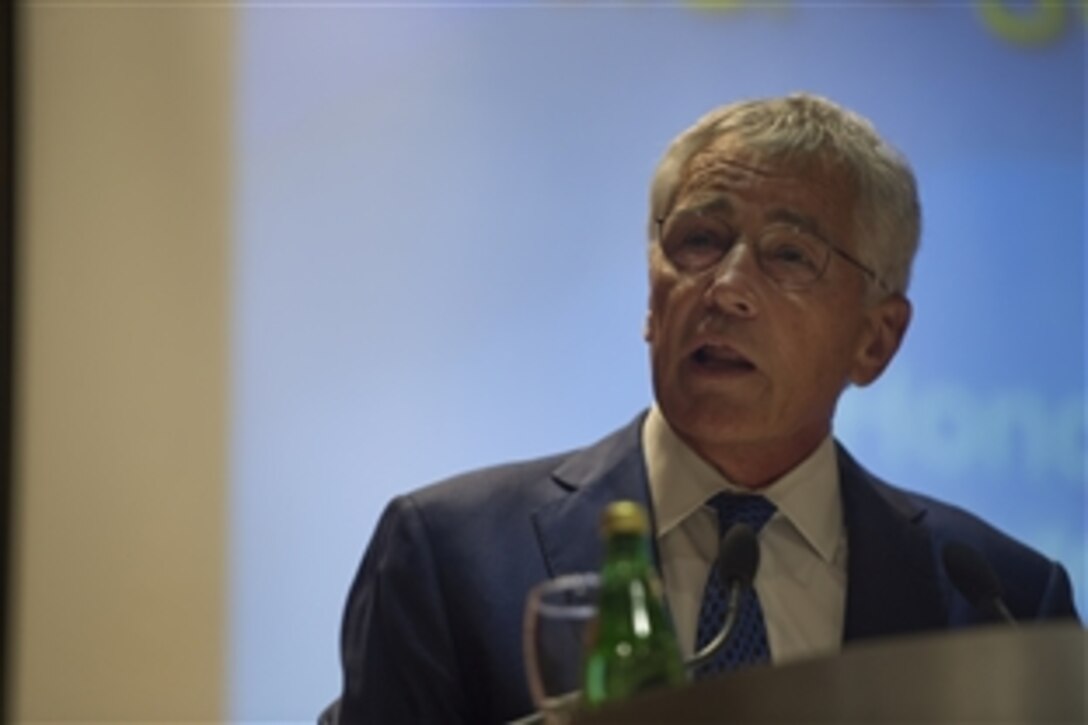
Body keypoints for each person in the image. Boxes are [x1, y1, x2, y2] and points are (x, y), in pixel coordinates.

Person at [333, 93, 1079, 724]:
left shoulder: (1001, 600)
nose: (725, 288)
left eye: (789, 254)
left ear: (875, 339)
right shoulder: (450, 555)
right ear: (652, 301)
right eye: (698, 240)